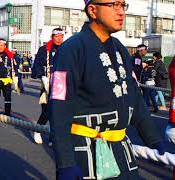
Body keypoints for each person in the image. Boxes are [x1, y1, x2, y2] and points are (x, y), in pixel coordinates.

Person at [49, 1, 165, 179]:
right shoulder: (71, 49)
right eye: (114, 5)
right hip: (85, 149)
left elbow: (134, 95)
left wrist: (152, 137)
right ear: (93, 10)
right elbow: (58, 107)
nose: (121, 12)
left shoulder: (119, 48)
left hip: (120, 147)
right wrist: (65, 162)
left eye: (123, 5)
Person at [31, 27, 64, 145]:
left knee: (58, 112)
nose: (59, 39)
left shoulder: (66, 49)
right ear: (52, 37)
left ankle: (52, 137)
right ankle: (38, 130)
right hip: (47, 82)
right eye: (57, 36)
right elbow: (36, 66)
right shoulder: (43, 50)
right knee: (46, 111)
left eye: (61, 36)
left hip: (61, 84)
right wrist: (42, 76)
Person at [0, 38, 19, 116]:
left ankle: (7, 113)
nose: (0, 47)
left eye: (2, 45)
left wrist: (16, 76)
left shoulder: (10, 56)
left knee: (7, 96)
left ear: (5, 46)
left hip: (7, 80)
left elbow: (14, 67)